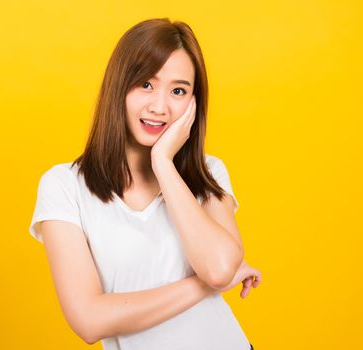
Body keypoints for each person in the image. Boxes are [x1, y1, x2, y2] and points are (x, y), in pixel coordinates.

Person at [29, 18, 261, 350]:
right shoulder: (64, 186)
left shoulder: (209, 172)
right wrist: (202, 287)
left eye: (178, 90)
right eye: (146, 85)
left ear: (194, 102)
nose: (160, 106)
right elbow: (88, 320)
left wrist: (164, 164)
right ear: (119, 87)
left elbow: (219, 268)